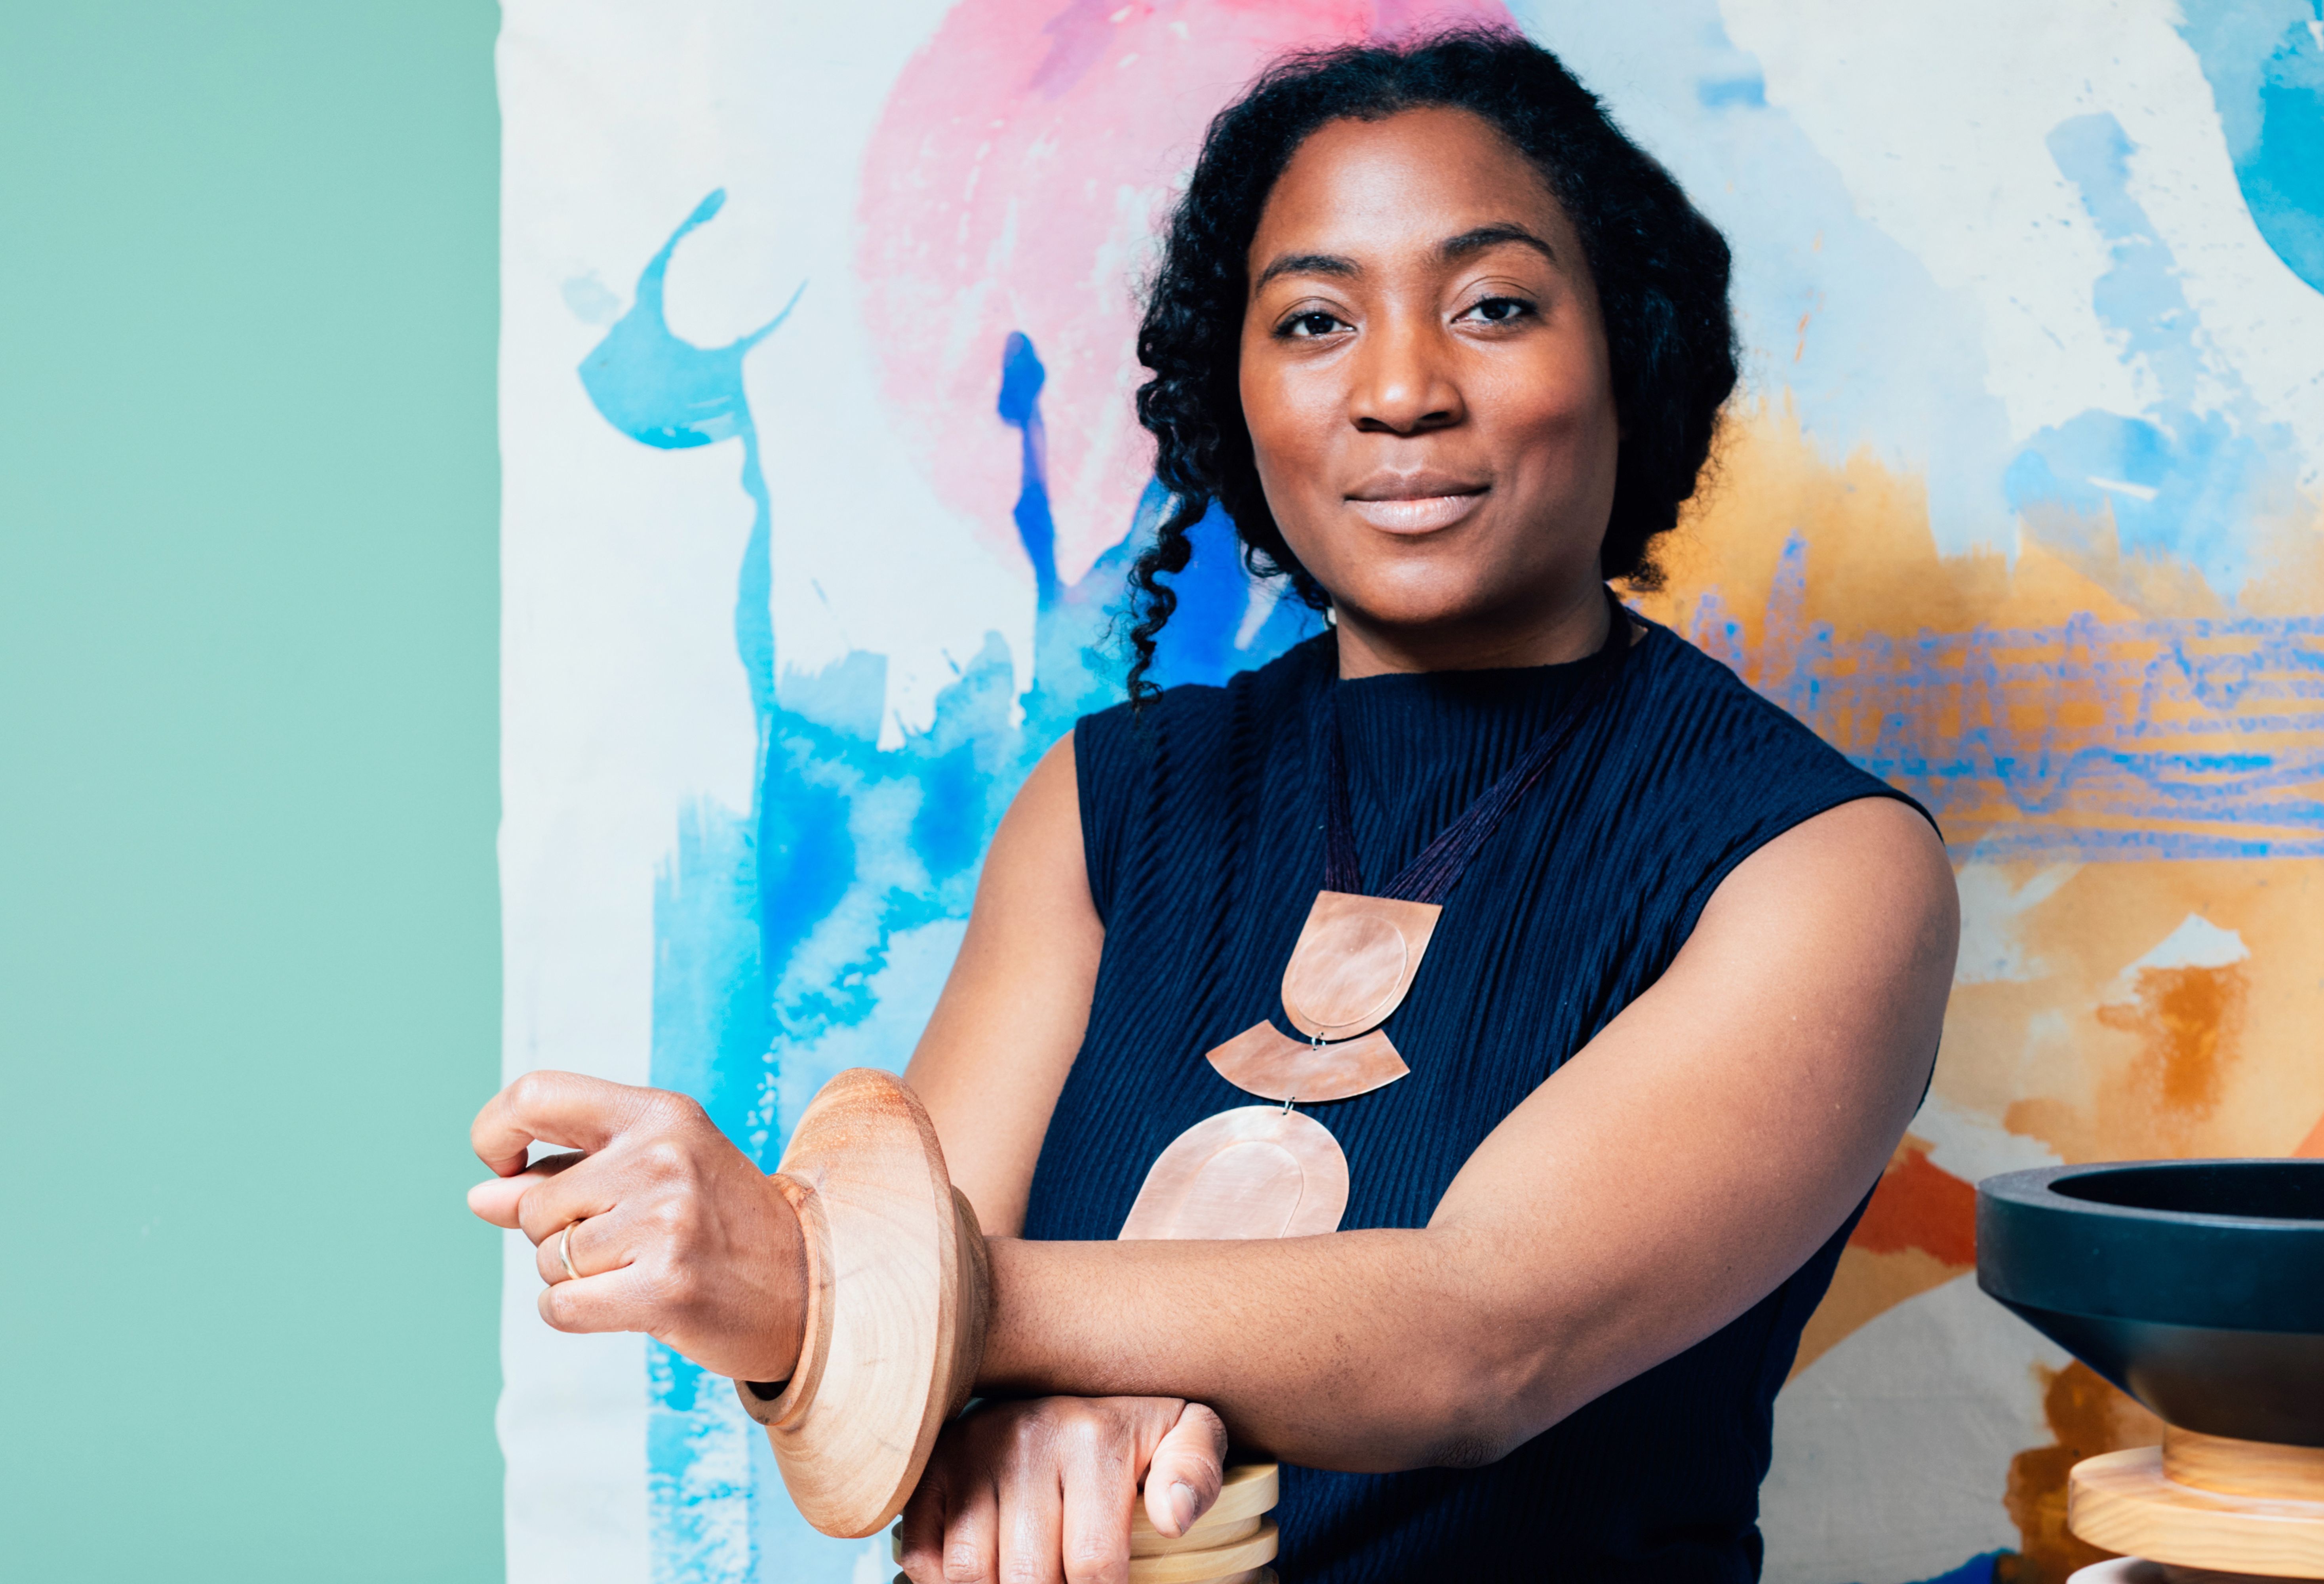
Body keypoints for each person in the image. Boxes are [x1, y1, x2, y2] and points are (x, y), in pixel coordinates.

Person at [468, 29, 1959, 1582]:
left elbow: (1481, 1334)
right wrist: (859, 1335)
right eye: (1315, 320)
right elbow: (871, 1394)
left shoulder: (1819, 863)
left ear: (1626, 349)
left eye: (1494, 305)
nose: (1399, 389)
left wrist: (861, 1287)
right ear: (1234, 395)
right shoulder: (1106, 809)